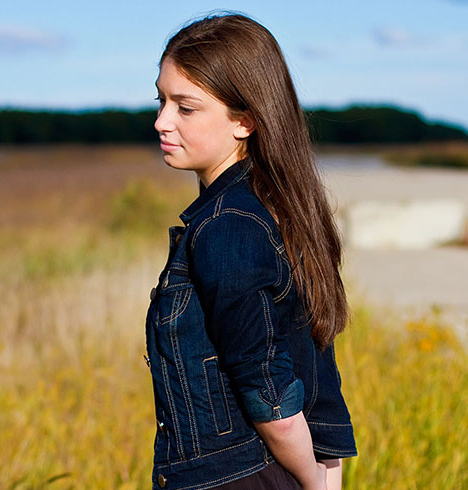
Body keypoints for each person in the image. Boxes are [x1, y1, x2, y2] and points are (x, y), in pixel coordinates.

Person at [143, 11, 356, 490]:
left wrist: (311, 483)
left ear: (244, 121)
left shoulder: (228, 226)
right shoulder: (282, 209)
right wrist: (326, 479)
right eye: (160, 100)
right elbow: (317, 378)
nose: (161, 121)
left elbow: (270, 392)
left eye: (185, 107)